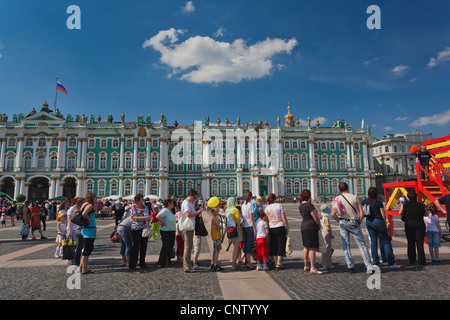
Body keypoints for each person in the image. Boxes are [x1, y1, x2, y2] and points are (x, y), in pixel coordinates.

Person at [331, 182, 373, 273]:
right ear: (347, 188)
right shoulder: (354, 197)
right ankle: (369, 266)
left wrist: (339, 221)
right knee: (362, 244)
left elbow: (333, 214)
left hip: (342, 222)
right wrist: (359, 222)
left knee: (346, 245)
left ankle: (350, 266)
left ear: (339, 189)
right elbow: (362, 213)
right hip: (354, 222)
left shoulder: (336, 199)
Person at [361, 187, 400, 269]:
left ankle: (375, 261)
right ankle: (391, 262)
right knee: (386, 242)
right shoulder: (378, 202)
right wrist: (386, 223)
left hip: (369, 222)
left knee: (373, 242)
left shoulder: (365, 201)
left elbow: (361, 208)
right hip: (378, 221)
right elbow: (383, 215)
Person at [400, 189, 427, 266]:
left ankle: (412, 260)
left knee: (411, 243)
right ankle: (422, 261)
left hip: (409, 225)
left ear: (408, 197)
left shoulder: (405, 205)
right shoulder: (421, 205)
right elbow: (426, 214)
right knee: (420, 243)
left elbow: (400, 213)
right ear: (416, 197)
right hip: (419, 224)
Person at [299, 189, 323, 275]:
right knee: (312, 248)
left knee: (306, 247)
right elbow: (315, 217)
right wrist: (319, 225)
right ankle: (313, 267)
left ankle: (306, 265)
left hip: (303, 226)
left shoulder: (300, 205)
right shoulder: (310, 206)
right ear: (309, 196)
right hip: (311, 226)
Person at [265, 193, 289, 270]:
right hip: (280, 226)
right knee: (281, 244)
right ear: (275, 199)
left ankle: (275, 262)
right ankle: (279, 263)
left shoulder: (266, 208)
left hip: (271, 227)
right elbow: (283, 216)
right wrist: (287, 225)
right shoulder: (279, 205)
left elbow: (266, 219)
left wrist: (267, 228)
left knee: (274, 245)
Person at [180, 189, 203, 273]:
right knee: (188, 247)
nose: (195, 199)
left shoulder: (188, 203)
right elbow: (188, 214)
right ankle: (187, 267)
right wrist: (197, 213)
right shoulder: (186, 203)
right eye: (194, 197)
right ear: (190, 195)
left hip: (189, 226)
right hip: (187, 227)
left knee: (189, 246)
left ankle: (188, 266)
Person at [129, 194, 152, 270]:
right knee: (135, 246)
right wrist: (145, 217)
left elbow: (148, 215)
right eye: (142, 199)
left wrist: (149, 219)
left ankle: (142, 262)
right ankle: (133, 264)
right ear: (138, 200)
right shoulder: (133, 207)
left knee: (143, 246)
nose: (143, 200)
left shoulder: (145, 207)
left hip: (144, 228)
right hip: (136, 228)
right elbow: (134, 217)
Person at [78, 193, 97, 274]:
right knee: (87, 250)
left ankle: (81, 267)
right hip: (89, 229)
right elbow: (84, 214)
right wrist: (89, 219)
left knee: (85, 249)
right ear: (92, 198)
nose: (96, 199)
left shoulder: (84, 204)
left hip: (85, 229)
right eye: (95, 197)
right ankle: (84, 269)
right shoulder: (90, 205)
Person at [156, 199, 177, 268]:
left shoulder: (170, 211)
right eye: (172, 203)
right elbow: (158, 216)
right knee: (165, 246)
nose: (173, 204)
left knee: (170, 246)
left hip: (171, 230)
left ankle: (168, 261)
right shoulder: (165, 210)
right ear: (168, 203)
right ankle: (160, 262)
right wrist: (162, 222)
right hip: (166, 231)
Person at [226, 197, 243, 271]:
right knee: (236, 248)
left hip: (230, 230)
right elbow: (238, 221)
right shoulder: (235, 210)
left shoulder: (227, 209)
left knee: (237, 247)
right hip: (236, 230)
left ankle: (239, 261)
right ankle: (233, 264)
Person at [240, 191, 257, 269]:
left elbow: (243, 216)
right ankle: (248, 262)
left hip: (244, 226)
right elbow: (251, 218)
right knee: (249, 245)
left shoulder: (243, 204)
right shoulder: (250, 205)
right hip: (249, 226)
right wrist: (254, 229)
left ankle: (246, 260)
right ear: (251, 197)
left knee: (246, 244)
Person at [72, 197, 86, 267]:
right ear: (81, 203)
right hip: (80, 230)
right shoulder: (79, 210)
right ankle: (77, 262)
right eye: (84, 201)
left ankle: (79, 261)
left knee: (80, 247)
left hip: (80, 230)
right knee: (79, 247)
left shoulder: (78, 210)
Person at [319, 204, 334, 270]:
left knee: (325, 249)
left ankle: (324, 263)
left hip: (322, 232)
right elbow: (328, 228)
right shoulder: (326, 218)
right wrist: (331, 235)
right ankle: (328, 264)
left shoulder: (321, 217)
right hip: (326, 233)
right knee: (328, 249)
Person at [210, 207, 223, 271]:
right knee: (217, 251)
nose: (218, 213)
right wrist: (220, 227)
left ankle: (213, 262)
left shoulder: (212, 218)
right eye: (217, 212)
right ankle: (215, 264)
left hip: (214, 236)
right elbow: (220, 226)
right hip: (217, 236)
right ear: (213, 213)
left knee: (214, 250)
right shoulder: (215, 219)